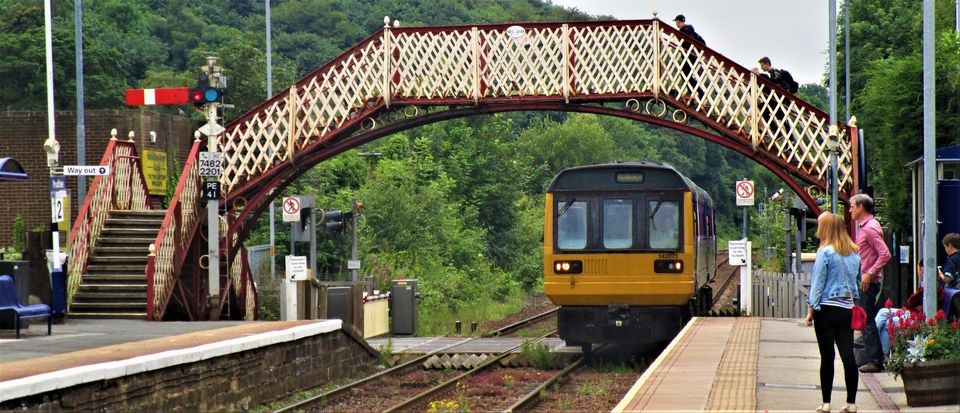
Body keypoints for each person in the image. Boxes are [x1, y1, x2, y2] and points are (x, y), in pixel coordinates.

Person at [805, 212, 860, 413]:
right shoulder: (854, 252)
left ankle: (826, 403)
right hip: (846, 310)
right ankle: (851, 403)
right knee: (848, 356)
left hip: (826, 310)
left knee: (827, 357)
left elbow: (818, 283)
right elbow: (857, 283)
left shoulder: (825, 252)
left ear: (826, 229)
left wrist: (811, 308)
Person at [849, 193, 891, 373]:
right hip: (866, 280)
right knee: (866, 319)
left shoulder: (869, 229)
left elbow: (885, 254)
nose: (850, 209)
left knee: (867, 320)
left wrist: (869, 274)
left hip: (868, 282)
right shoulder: (866, 227)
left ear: (861, 207)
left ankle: (875, 360)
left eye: (852, 206)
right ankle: (872, 358)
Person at [673, 15, 705, 103]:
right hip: (692, 55)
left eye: (676, 22)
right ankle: (693, 91)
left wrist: (684, 46)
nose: (676, 24)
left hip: (689, 55)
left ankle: (699, 91)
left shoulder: (685, 30)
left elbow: (690, 41)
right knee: (686, 74)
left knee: (685, 73)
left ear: (678, 21)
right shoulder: (689, 29)